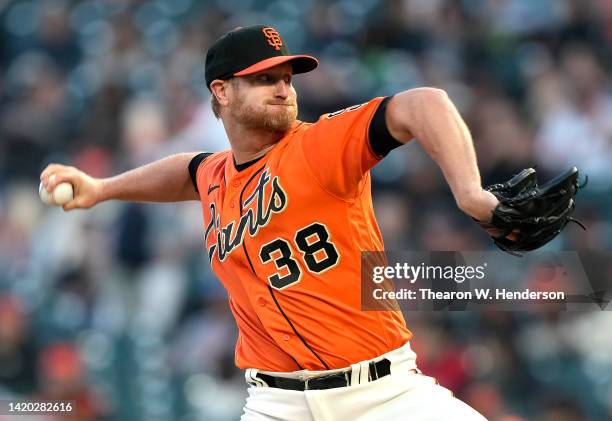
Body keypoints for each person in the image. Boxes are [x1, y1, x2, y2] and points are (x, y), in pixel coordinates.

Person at [41, 25, 496, 420]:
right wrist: (101, 188)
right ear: (221, 91)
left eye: (286, 78)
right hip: (276, 404)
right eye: (264, 79)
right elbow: (184, 172)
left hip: (380, 393)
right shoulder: (216, 174)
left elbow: (424, 103)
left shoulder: (319, 146)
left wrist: (471, 192)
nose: (283, 89)